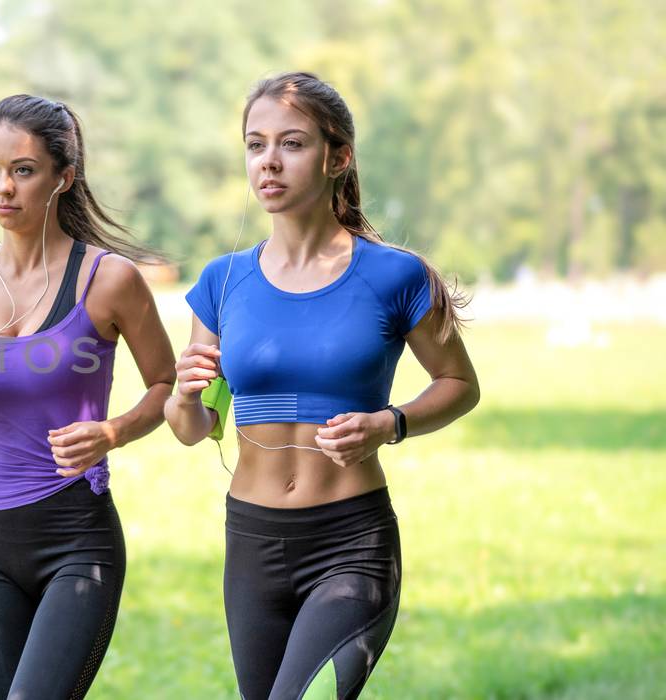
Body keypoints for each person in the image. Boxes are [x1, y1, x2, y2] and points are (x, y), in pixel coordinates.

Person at [164, 72, 481, 699]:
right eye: (256, 146)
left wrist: (390, 423)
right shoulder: (223, 280)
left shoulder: (396, 276)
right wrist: (182, 396)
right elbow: (196, 429)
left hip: (350, 541)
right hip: (251, 540)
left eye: (292, 144)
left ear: (338, 157)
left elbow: (459, 383)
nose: (269, 163)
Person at [0, 94, 176, 699]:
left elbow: (165, 385)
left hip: (76, 538)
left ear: (64, 177)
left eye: (23, 170)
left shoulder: (110, 280)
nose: (3, 188)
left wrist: (113, 432)